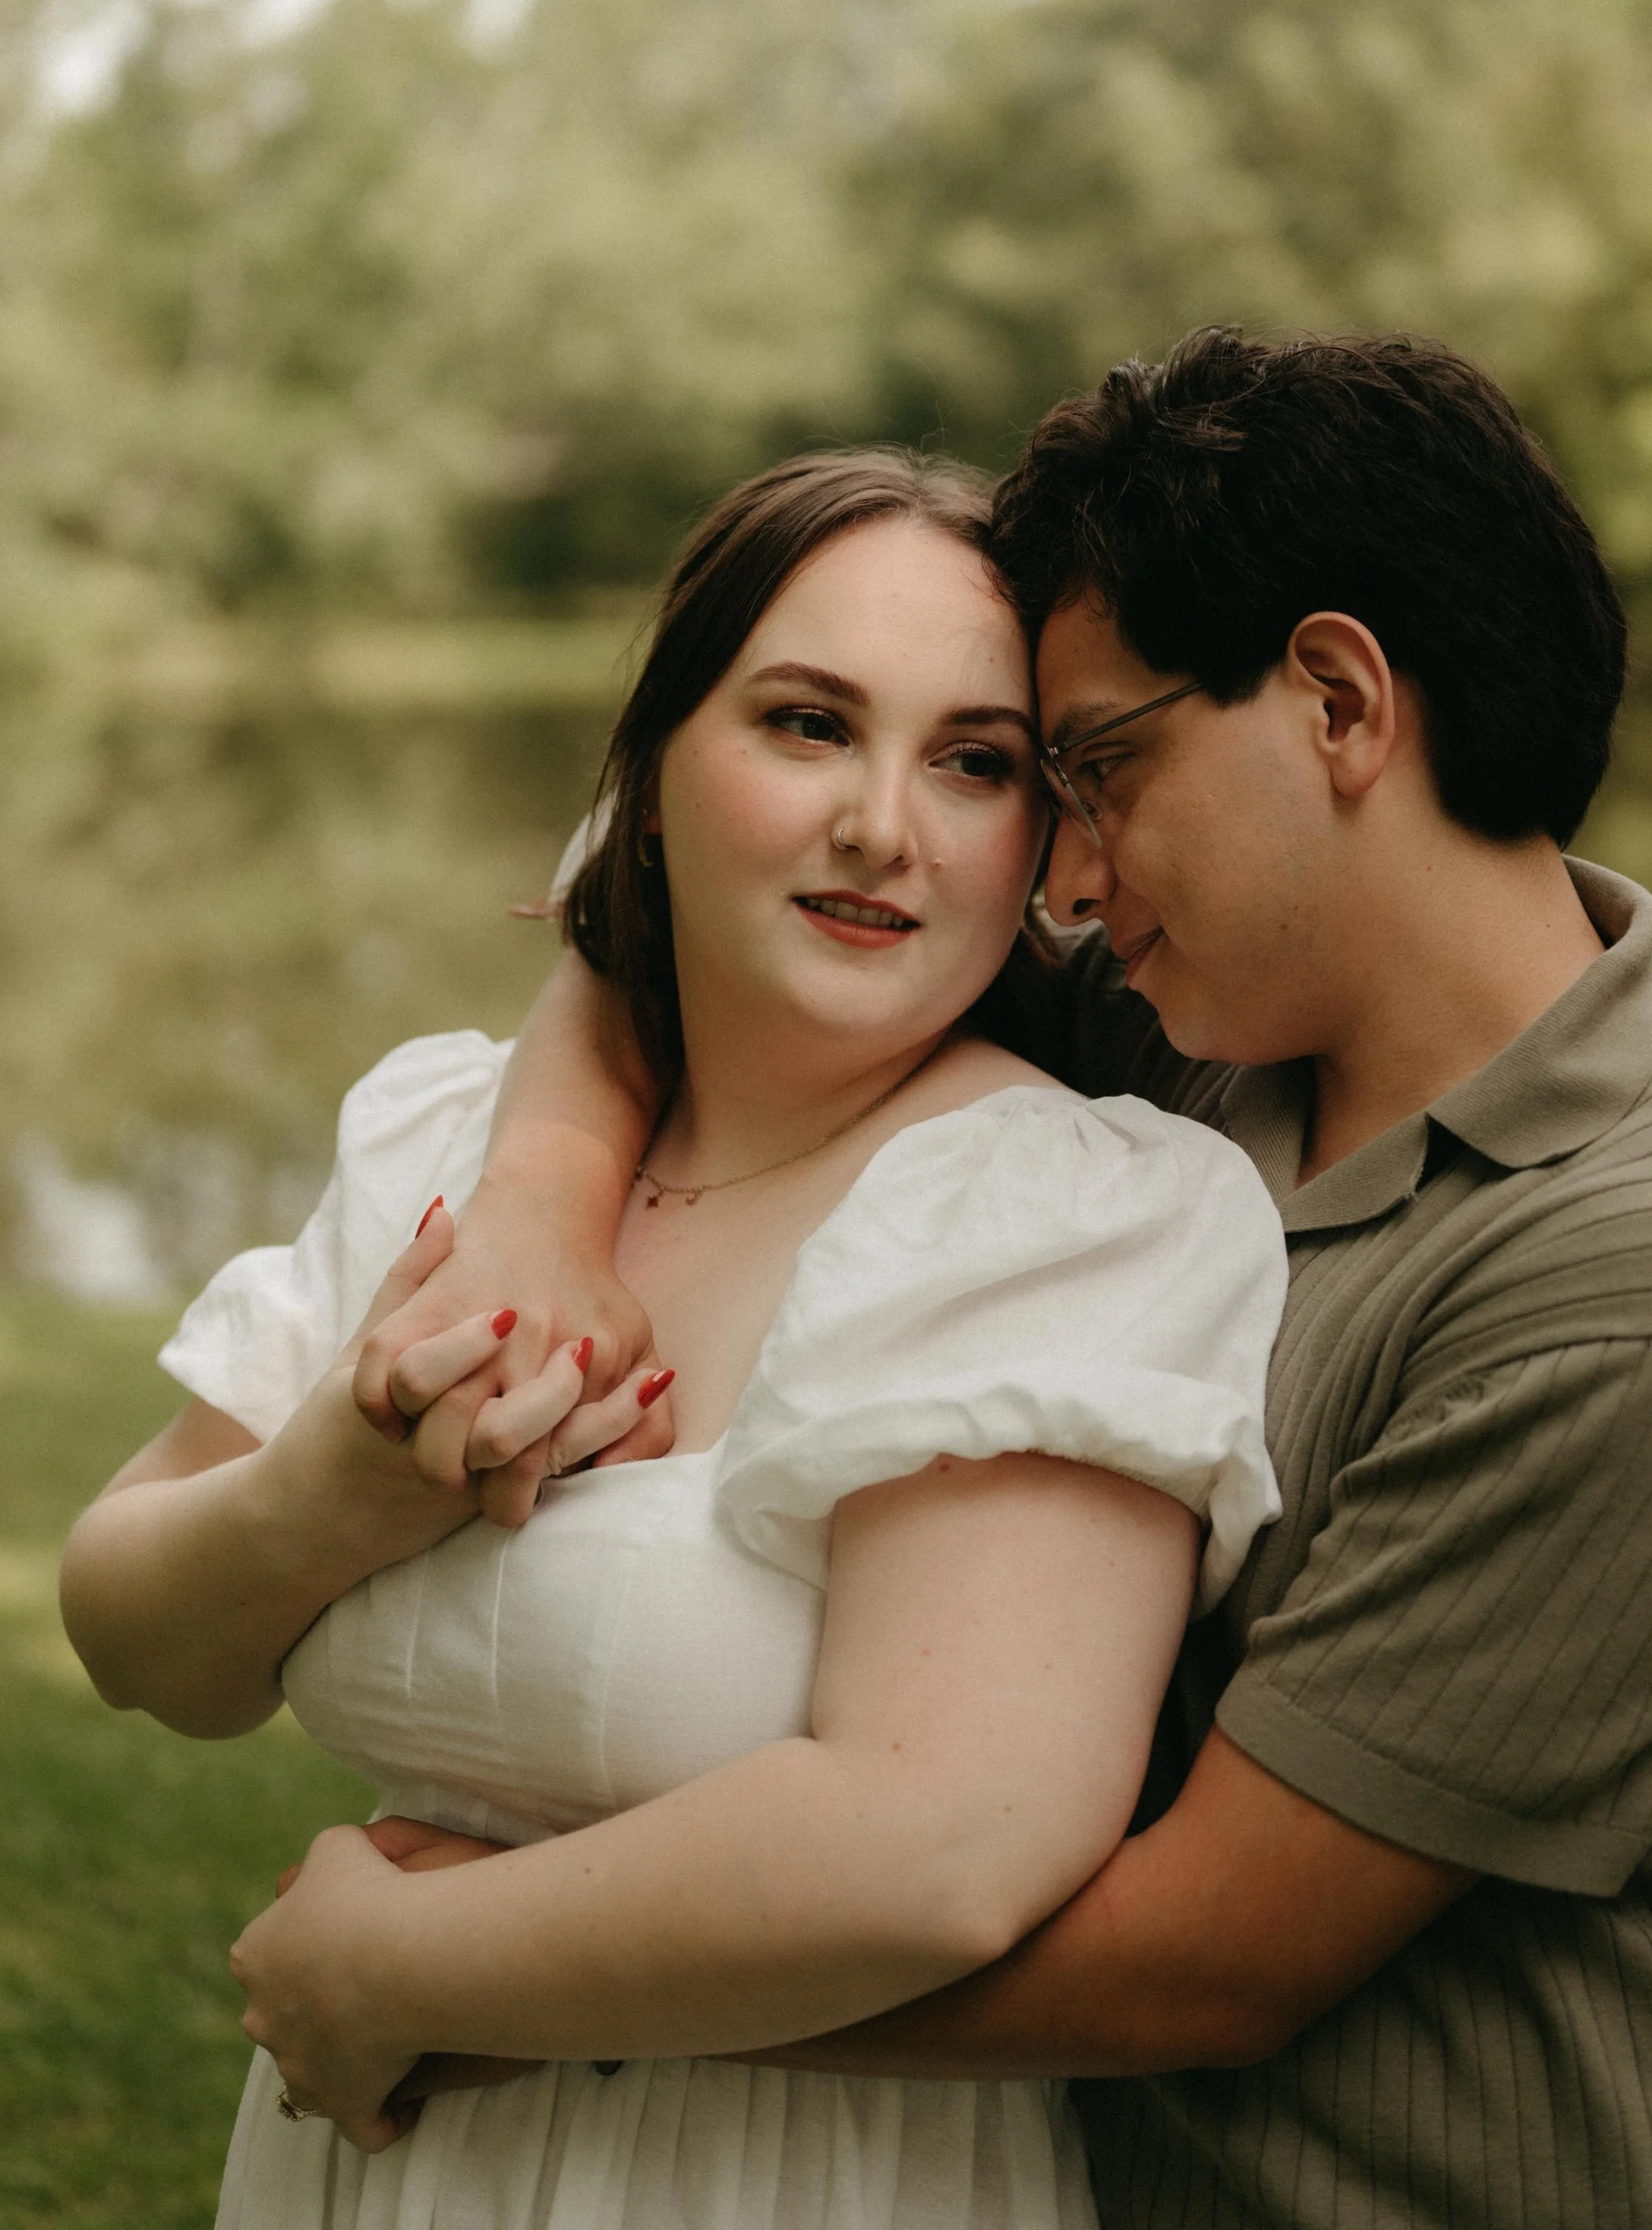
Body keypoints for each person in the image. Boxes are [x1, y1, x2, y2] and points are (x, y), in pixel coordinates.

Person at [380, 329, 1652, 2230]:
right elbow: (663, 890)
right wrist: (541, 1196)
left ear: (1336, 701)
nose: (1057, 878)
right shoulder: (1194, 1019)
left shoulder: (1648, 1273)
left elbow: (1203, 1962)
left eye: (1094, 766)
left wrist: (479, 1983)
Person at [59, 447, 1288, 2230]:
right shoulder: (453, 1149)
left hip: (797, 2183)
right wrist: (323, 1493)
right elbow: (134, 1638)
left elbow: (943, 1845)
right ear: (648, 780)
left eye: (972, 761)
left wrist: (395, 1968)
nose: (884, 824)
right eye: (804, 725)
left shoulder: (1062, 1212)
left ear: (1040, 838)